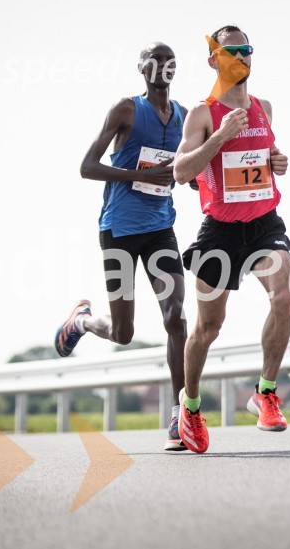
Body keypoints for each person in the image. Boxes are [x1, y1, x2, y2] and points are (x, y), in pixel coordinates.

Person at [54, 42, 191, 451]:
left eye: (169, 61)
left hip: (160, 228)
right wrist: (137, 175)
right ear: (141, 68)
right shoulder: (126, 110)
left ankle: (180, 414)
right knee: (123, 332)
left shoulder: (184, 116)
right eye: (154, 60)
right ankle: (82, 321)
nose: (162, 66)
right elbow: (87, 167)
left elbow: (188, 174)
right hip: (119, 230)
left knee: (176, 316)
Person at [173, 25, 290, 453]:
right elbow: (181, 172)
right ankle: (189, 407)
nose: (240, 57)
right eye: (231, 51)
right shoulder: (202, 114)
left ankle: (266, 392)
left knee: (283, 297)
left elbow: (263, 159)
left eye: (246, 50)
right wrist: (221, 136)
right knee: (208, 328)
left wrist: (277, 161)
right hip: (220, 231)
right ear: (214, 60)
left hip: (264, 224)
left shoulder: (264, 107)